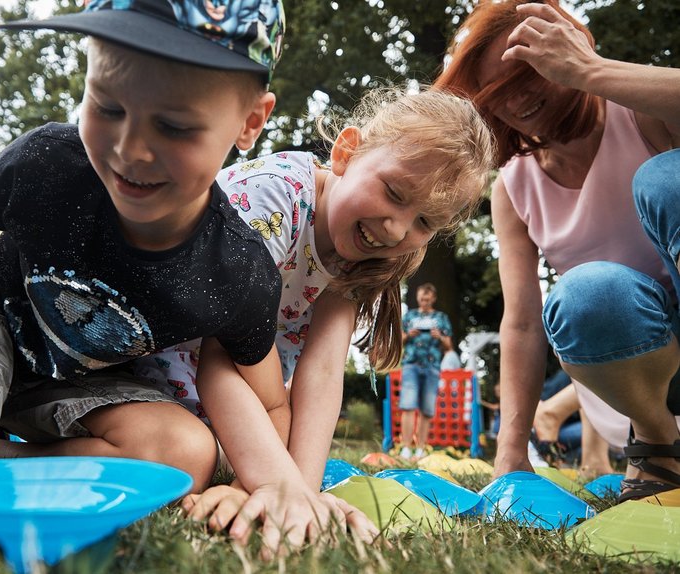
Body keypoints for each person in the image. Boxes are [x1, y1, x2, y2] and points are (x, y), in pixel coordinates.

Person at [0, 0, 358, 550]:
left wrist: (264, 483)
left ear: (250, 122)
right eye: (106, 106)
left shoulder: (235, 270)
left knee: (182, 457)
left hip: (83, 381)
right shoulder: (49, 162)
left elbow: (270, 399)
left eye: (173, 125)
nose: (130, 150)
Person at [143, 87, 494, 532]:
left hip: (232, 401)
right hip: (154, 370)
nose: (396, 227)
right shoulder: (273, 198)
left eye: (425, 222)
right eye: (395, 193)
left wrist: (301, 492)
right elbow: (222, 356)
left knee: (236, 464)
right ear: (347, 152)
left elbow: (324, 370)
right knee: (186, 463)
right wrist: (276, 481)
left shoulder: (364, 253)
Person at [434, 0, 680, 500]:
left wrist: (591, 72)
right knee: (584, 293)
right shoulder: (513, 187)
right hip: (644, 379)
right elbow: (522, 323)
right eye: (496, 92)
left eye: (531, 70)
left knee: (666, 179)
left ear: (567, 50)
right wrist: (510, 455)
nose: (516, 99)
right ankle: (658, 447)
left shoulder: (640, 115)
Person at [397, 283, 453, 460]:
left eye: (427, 299)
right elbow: (399, 341)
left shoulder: (441, 318)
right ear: (418, 298)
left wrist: (440, 337)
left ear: (433, 299)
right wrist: (409, 335)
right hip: (411, 364)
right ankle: (406, 449)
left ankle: (420, 450)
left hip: (432, 366)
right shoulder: (410, 316)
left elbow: (449, 346)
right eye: (422, 299)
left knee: (426, 409)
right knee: (408, 405)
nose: (424, 301)